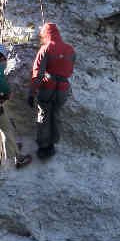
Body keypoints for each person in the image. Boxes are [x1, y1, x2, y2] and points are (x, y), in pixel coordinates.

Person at [27, 23, 75, 160]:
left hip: (48, 87)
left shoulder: (45, 49)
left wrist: (31, 93)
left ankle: (44, 147)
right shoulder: (71, 50)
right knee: (56, 114)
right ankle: (53, 143)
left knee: (44, 115)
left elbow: (38, 74)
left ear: (45, 34)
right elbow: (70, 70)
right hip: (63, 88)